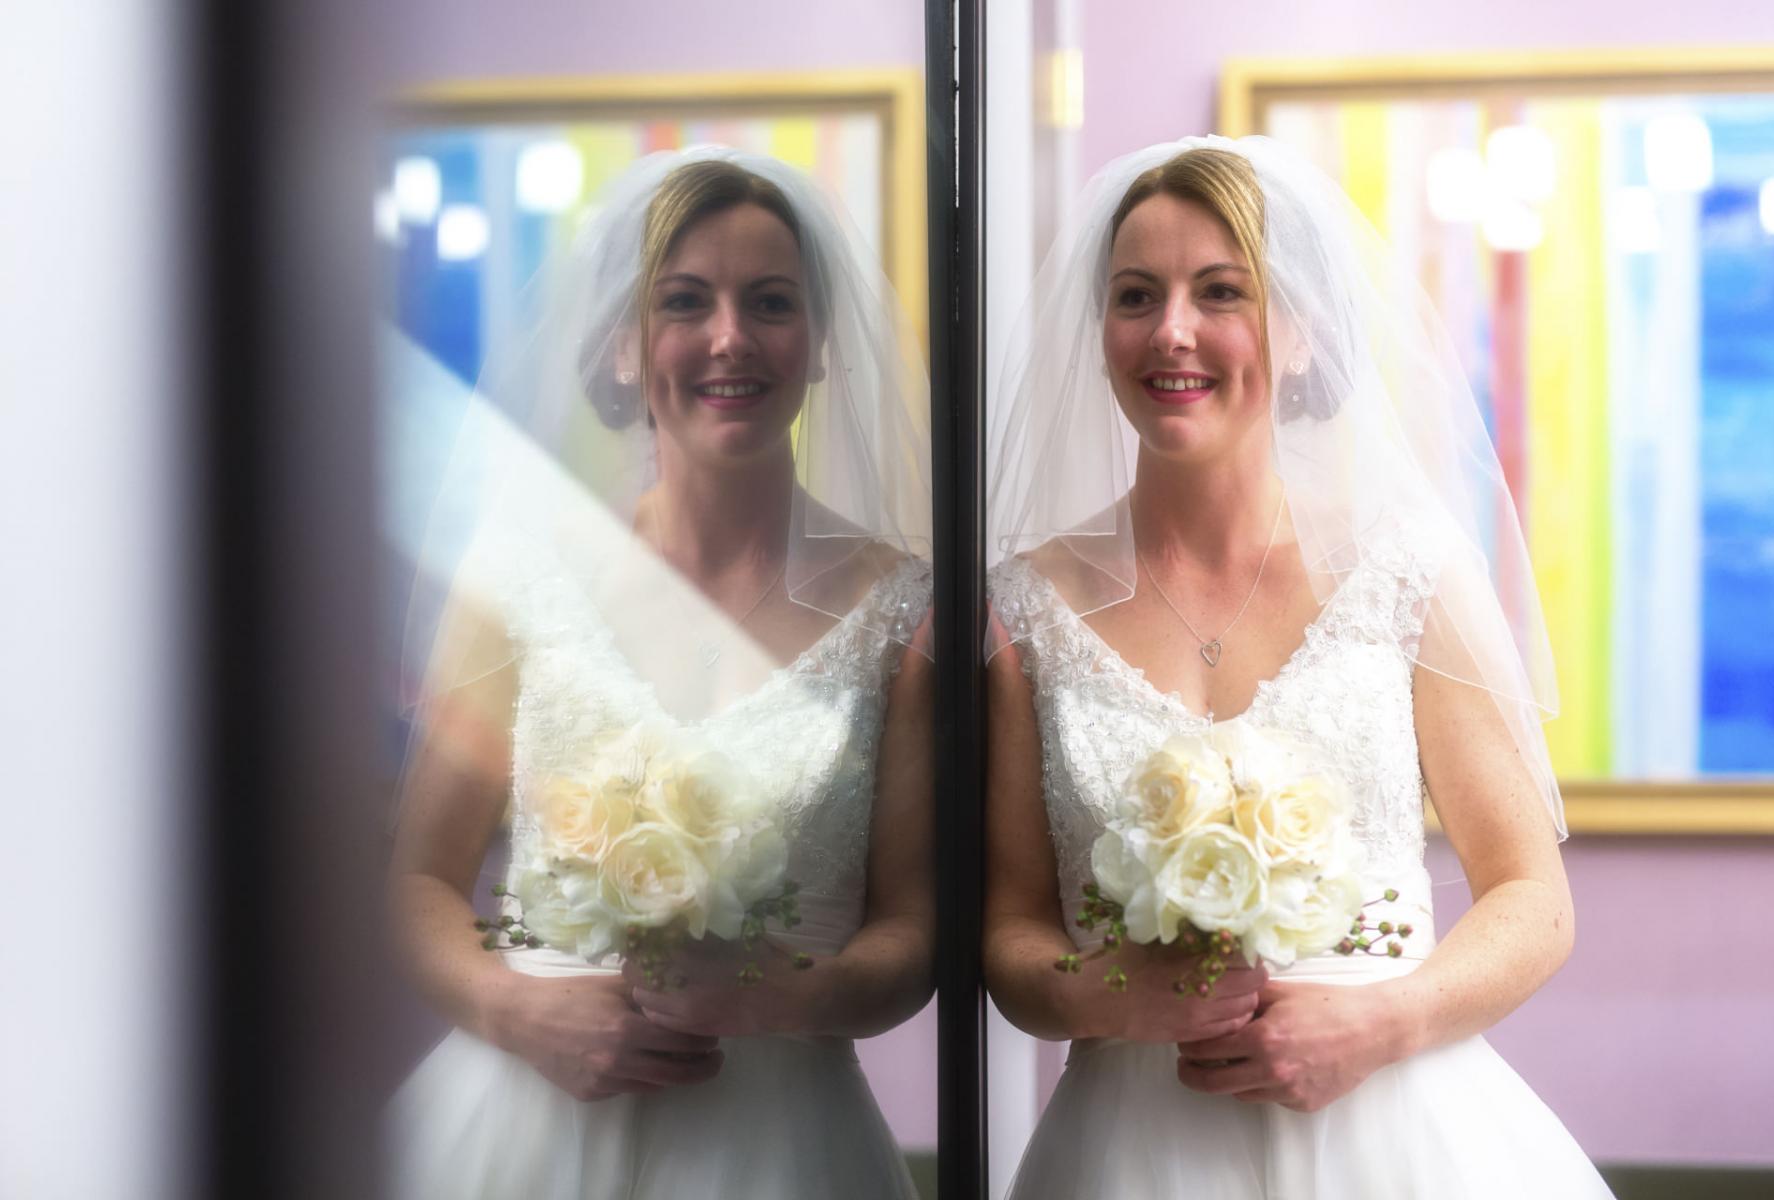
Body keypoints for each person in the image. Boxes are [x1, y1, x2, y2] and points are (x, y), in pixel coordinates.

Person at [984, 135, 1614, 1197]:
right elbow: (1009, 933)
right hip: (1134, 1147)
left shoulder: (1404, 571)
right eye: (1136, 296)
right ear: (1101, 333)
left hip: (1400, 1133)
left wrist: (1383, 1021)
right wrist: (1110, 995)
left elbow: (1532, 898)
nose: (1171, 330)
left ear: (1305, 333)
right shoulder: (1024, 610)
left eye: (1220, 291)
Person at [386, 147, 934, 1199]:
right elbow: (419, 880)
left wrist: (778, 996)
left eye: (771, 302)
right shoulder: (522, 578)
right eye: (685, 302)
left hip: (780, 1142)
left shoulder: (902, 609)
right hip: (525, 1121)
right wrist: (516, 1009)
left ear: (818, 341)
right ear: (627, 347)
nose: (730, 337)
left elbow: (912, 937)